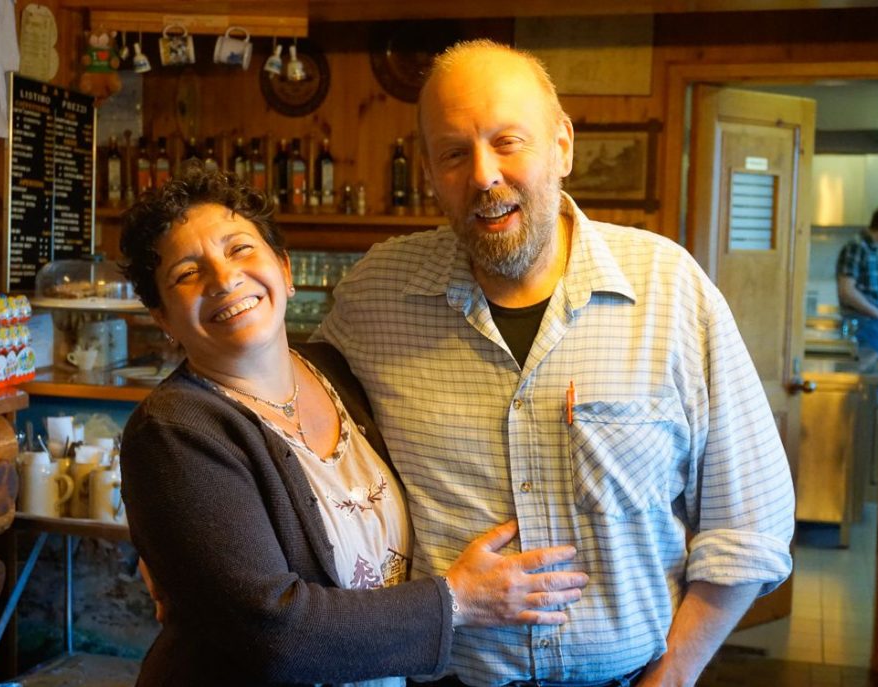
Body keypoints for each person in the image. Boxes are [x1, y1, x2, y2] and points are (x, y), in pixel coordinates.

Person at [317, 40, 796, 687]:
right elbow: (275, 406)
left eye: (507, 141)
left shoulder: (669, 289)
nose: (483, 174)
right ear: (429, 171)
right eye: (454, 152)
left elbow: (751, 521)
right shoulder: (377, 294)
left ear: (563, 145)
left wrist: (677, 672)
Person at [117, 164, 589, 686]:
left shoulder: (338, 368)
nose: (224, 278)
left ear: (286, 270)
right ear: (162, 318)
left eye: (240, 249)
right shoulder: (172, 431)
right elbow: (274, 635)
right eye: (187, 273)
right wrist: (458, 599)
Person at [836, 201, 878, 359]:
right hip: (863, 324)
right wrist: (877, 314)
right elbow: (846, 291)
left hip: (869, 323)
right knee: (871, 378)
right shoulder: (856, 246)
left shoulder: (869, 248)